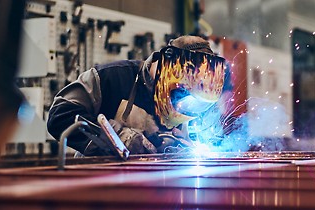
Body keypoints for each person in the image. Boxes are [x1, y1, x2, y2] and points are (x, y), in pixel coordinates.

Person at [47, 35, 226, 155]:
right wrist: (117, 140)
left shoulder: (196, 101)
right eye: (183, 94)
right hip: (99, 193)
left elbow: (210, 145)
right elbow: (60, 116)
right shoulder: (110, 78)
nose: (184, 103)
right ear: (170, 69)